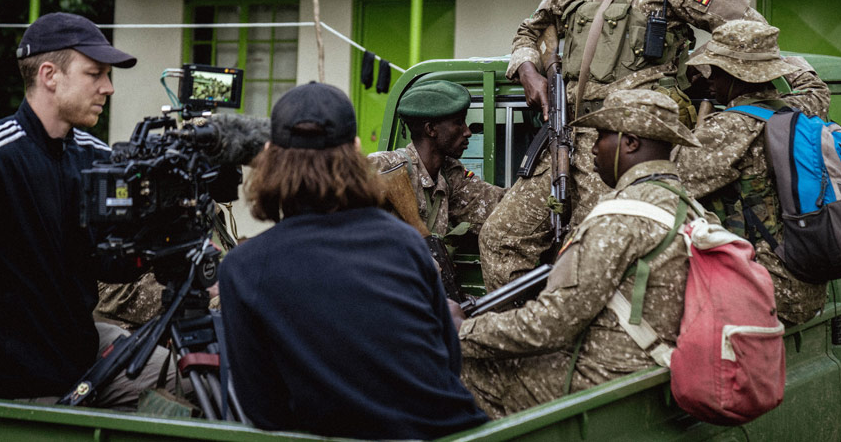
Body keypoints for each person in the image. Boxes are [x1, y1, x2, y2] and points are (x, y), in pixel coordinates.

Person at [479, 0, 766, 292]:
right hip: (564, 137)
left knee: (593, 253)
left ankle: (587, 347)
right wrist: (528, 71)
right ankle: (524, 340)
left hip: (625, 149)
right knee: (501, 237)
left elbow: (748, 26)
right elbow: (527, 33)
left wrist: (695, 72)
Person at [0, 12, 169, 419]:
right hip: (19, 381)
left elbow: (115, 254)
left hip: (85, 356)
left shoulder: (95, 156)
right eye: (95, 74)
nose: (108, 87)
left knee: (197, 377)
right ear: (50, 75)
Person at [219, 82, 488, 439]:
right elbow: (449, 366)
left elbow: (263, 410)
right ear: (357, 151)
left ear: (269, 157)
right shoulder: (406, 244)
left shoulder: (242, 269)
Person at [452, 89, 700, 418]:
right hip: (653, 367)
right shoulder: (687, 207)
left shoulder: (620, 219)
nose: (594, 148)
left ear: (631, 143)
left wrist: (460, 331)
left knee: (461, 365)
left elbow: (552, 324)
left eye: (602, 136)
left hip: (607, 380)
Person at [674, 20, 831, 324]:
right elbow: (816, 86)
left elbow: (668, 182)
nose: (711, 83)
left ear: (733, 76)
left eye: (716, 73)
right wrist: (771, 57)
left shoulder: (726, 130)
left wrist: (697, 129)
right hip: (807, 281)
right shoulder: (803, 107)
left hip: (761, 292)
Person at [369, 80, 504, 240]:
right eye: (458, 123)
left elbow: (501, 205)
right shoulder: (388, 166)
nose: (468, 132)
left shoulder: (450, 176)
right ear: (431, 129)